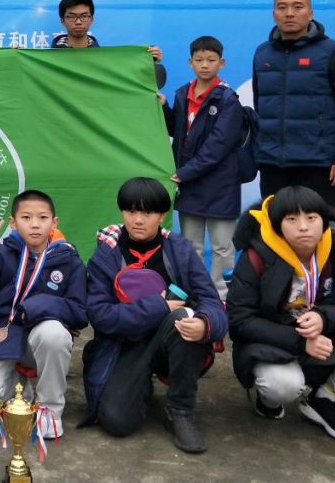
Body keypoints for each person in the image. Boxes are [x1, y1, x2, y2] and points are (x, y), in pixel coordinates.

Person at [227, 186, 335, 443]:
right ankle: (267, 401)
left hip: (325, 339)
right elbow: (240, 320)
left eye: (311, 217)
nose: (303, 227)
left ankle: (325, 399)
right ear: (277, 225)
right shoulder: (257, 256)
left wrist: (323, 317)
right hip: (274, 345)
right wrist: (300, 341)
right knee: (281, 386)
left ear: (324, 220)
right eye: (291, 219)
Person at [82, 177, 227, 454]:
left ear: (162, 215)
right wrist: (158, 307)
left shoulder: (180, 250)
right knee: (116, 421)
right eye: (131, 211)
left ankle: (180, 409)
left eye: (147, 212)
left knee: (185, 317)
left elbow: (211, 301)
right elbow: (100, 316)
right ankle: (138, 384)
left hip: (170, 342)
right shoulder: (106, 255)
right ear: (122, 212)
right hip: (124, 346)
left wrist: (205, 324)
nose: (138, 220)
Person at [0, 190, 86, 439]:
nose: (35, 224)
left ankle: (50, 411)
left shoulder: (69, 260)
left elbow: (79, 312)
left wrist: (35, 307)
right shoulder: (2, 253)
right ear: (13, 223)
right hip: (4, 334)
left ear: (54, 222)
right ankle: (19, 390)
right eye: (26, 218)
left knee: (54, 333)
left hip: (41, 341)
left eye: (42, 217)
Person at [252, 0, 335, 214]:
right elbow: (261, 106)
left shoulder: (332, 52)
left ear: (310, 13)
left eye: (297, 7)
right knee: (275, 230)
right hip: (273, 165)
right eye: (282, 7)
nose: (289, 13)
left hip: (318, 166)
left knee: (319, 230)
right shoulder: (263, 53)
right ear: (274, 14)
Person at [161, 35, 243, 300]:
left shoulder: (229, 99)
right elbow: (176, 129)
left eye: (211, 60)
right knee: (190, 245)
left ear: (222, 63)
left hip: (220, 184)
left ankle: (221, 296)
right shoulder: (182, 93)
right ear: (190, 62)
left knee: (222, 247)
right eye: (199, 60)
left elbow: (218, 146)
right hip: (190, 183)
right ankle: (195, 292)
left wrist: (184, 173)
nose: (204, 65)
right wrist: (163, 108)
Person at [50, 0, 167, 88]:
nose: (78, 21)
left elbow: (130, 82)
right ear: (62, 21)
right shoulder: (49, 61)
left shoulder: (105, 60)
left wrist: (150, 63)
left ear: (91, 19)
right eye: (71, 16)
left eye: (84, 16)